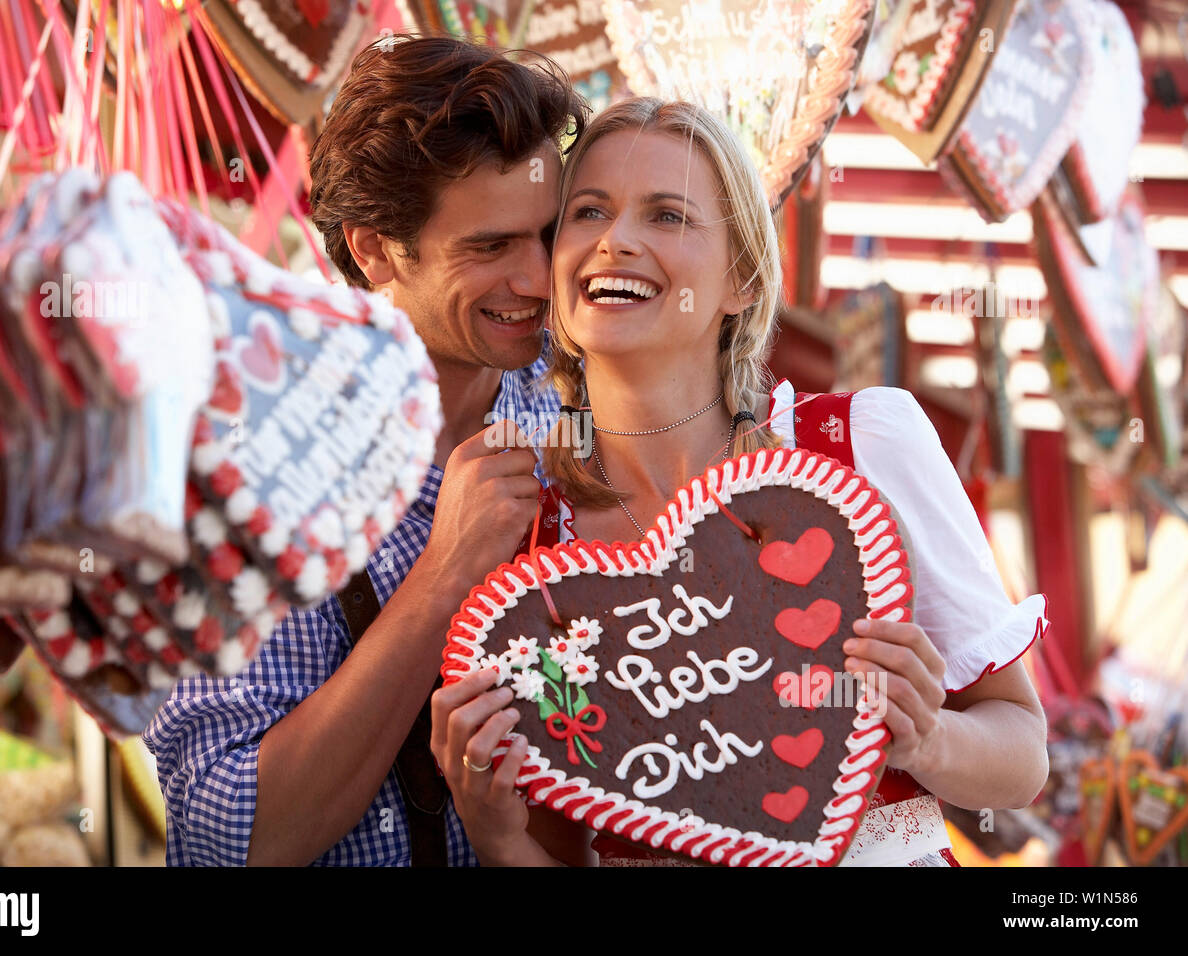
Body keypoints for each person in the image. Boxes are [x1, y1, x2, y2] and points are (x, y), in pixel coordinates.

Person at [430, 97, 1051, 867]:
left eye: (667, 217)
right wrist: (493, 833)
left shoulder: (859, 445)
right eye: (588, 212)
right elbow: (566, 854)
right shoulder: (527, 534)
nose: (615, 241)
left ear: (743, 281)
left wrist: (928, 736)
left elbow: (1024, 756)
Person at [143, 36, 593, 866]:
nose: (539, 279)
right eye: (490, 246)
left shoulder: (579, 409)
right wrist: (443, 576)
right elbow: (234, 842)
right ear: (374, 247)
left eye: (548, 232)